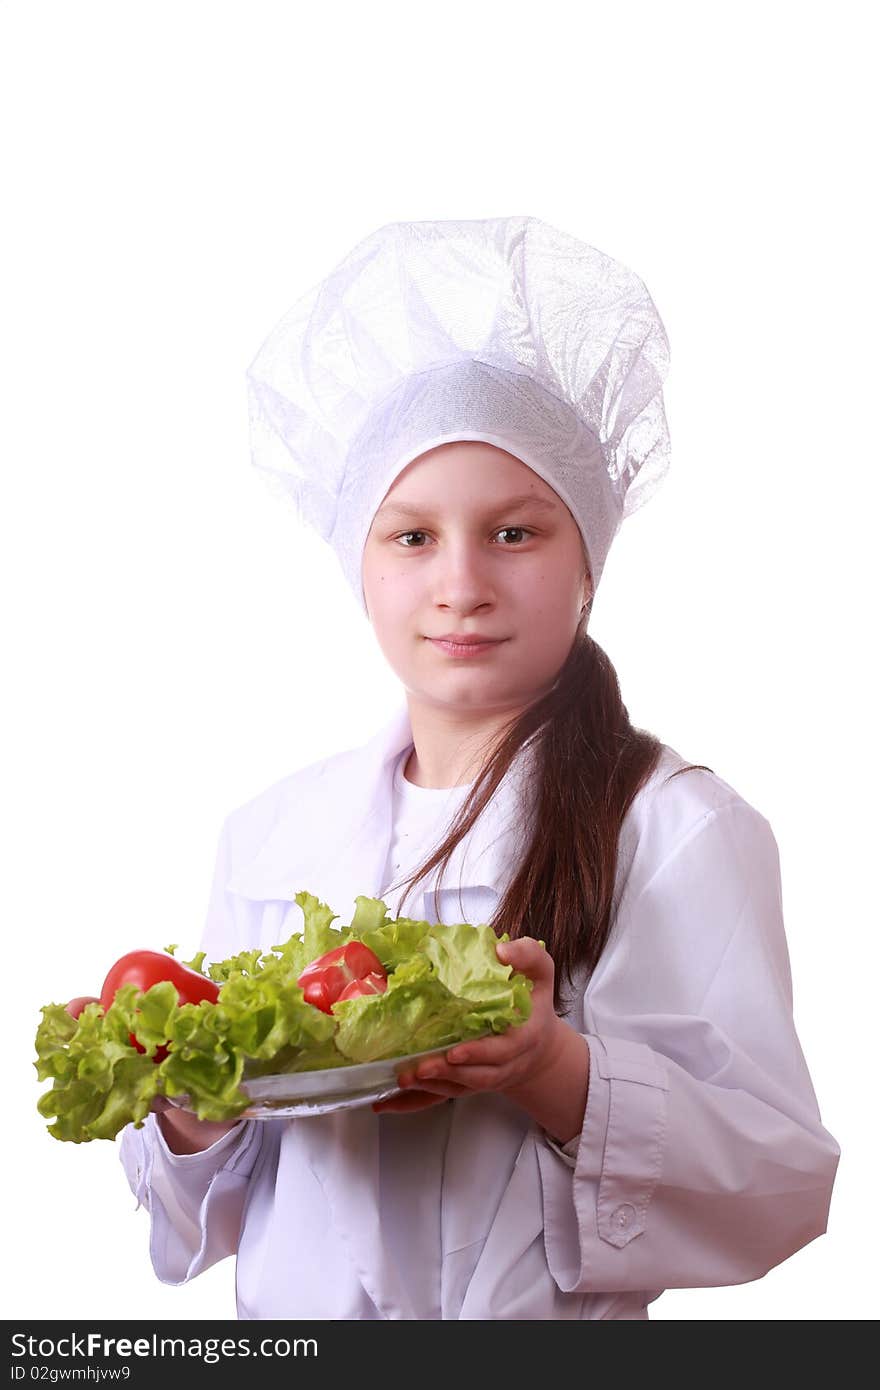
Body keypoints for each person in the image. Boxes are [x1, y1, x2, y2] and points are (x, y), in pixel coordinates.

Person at [117, 217, 840, 1319]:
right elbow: (201, 1222)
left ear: (587, 565)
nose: (460, 583)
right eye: (411, 537)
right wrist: (193, 1107)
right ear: (358, 566)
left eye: (514, 532)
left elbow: (782, 1182)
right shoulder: (269, 838)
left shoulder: (672, 827)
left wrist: (552, 1067)